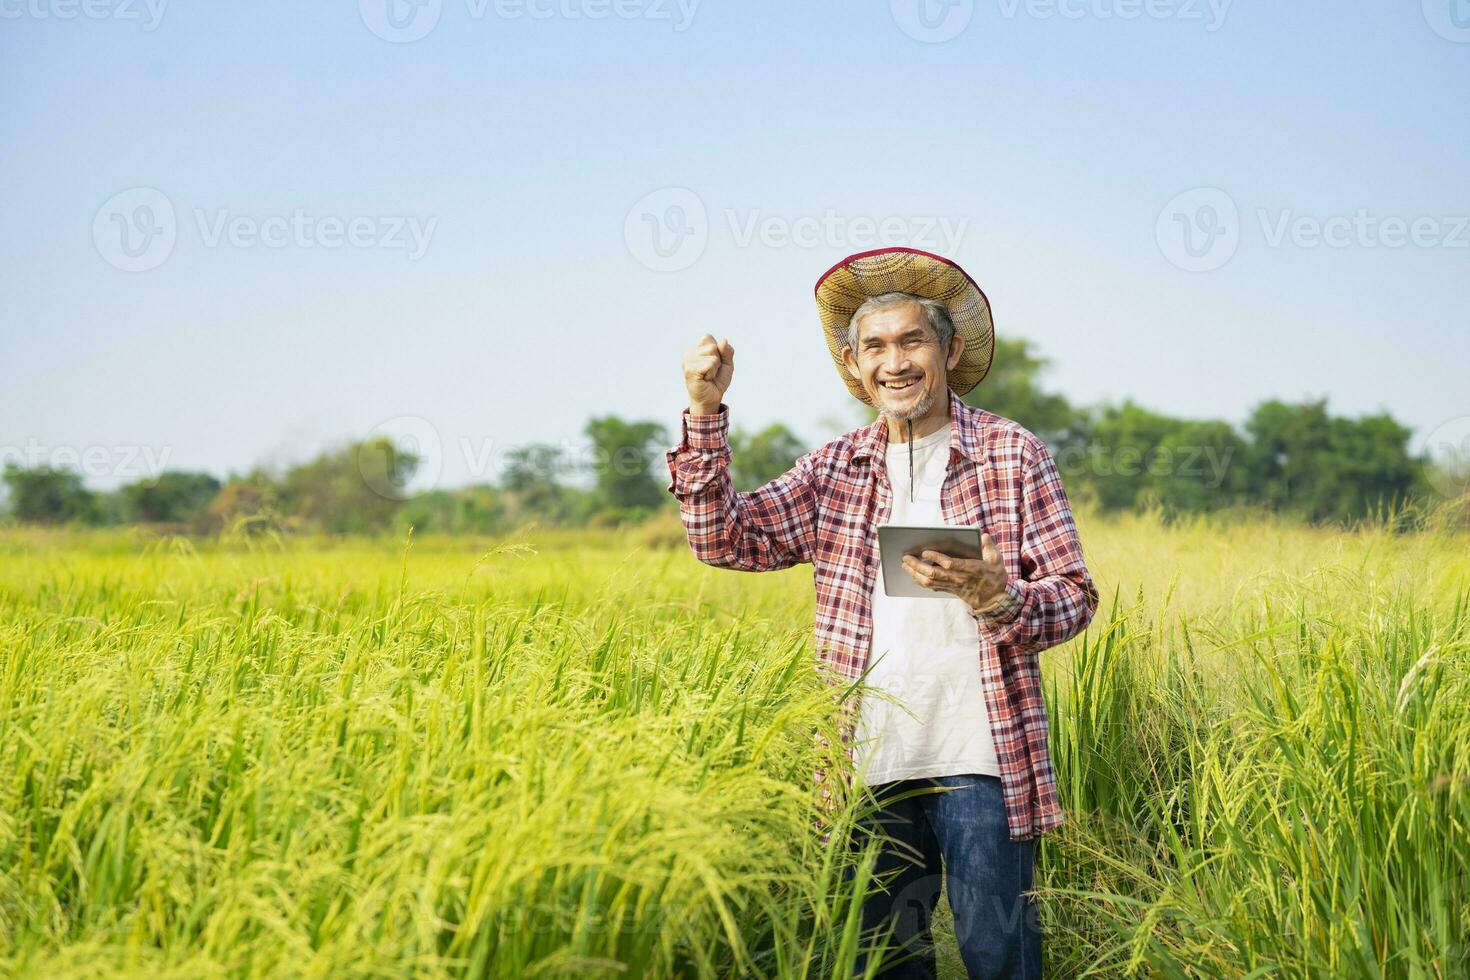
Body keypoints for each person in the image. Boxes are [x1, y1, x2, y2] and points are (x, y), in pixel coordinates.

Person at [665, 247, 1098, 978]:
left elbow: (1075, 598)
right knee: (882, 964)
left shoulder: (1012, 454)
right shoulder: (834, 468)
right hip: (864, 765)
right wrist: (705, 413)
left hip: (983, 760)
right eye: (875, 347)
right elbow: (723, 538)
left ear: (948, 349)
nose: (894, 362)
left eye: (911, 341)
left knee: (1002, 959)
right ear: (856, 366)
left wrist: (999, 596)